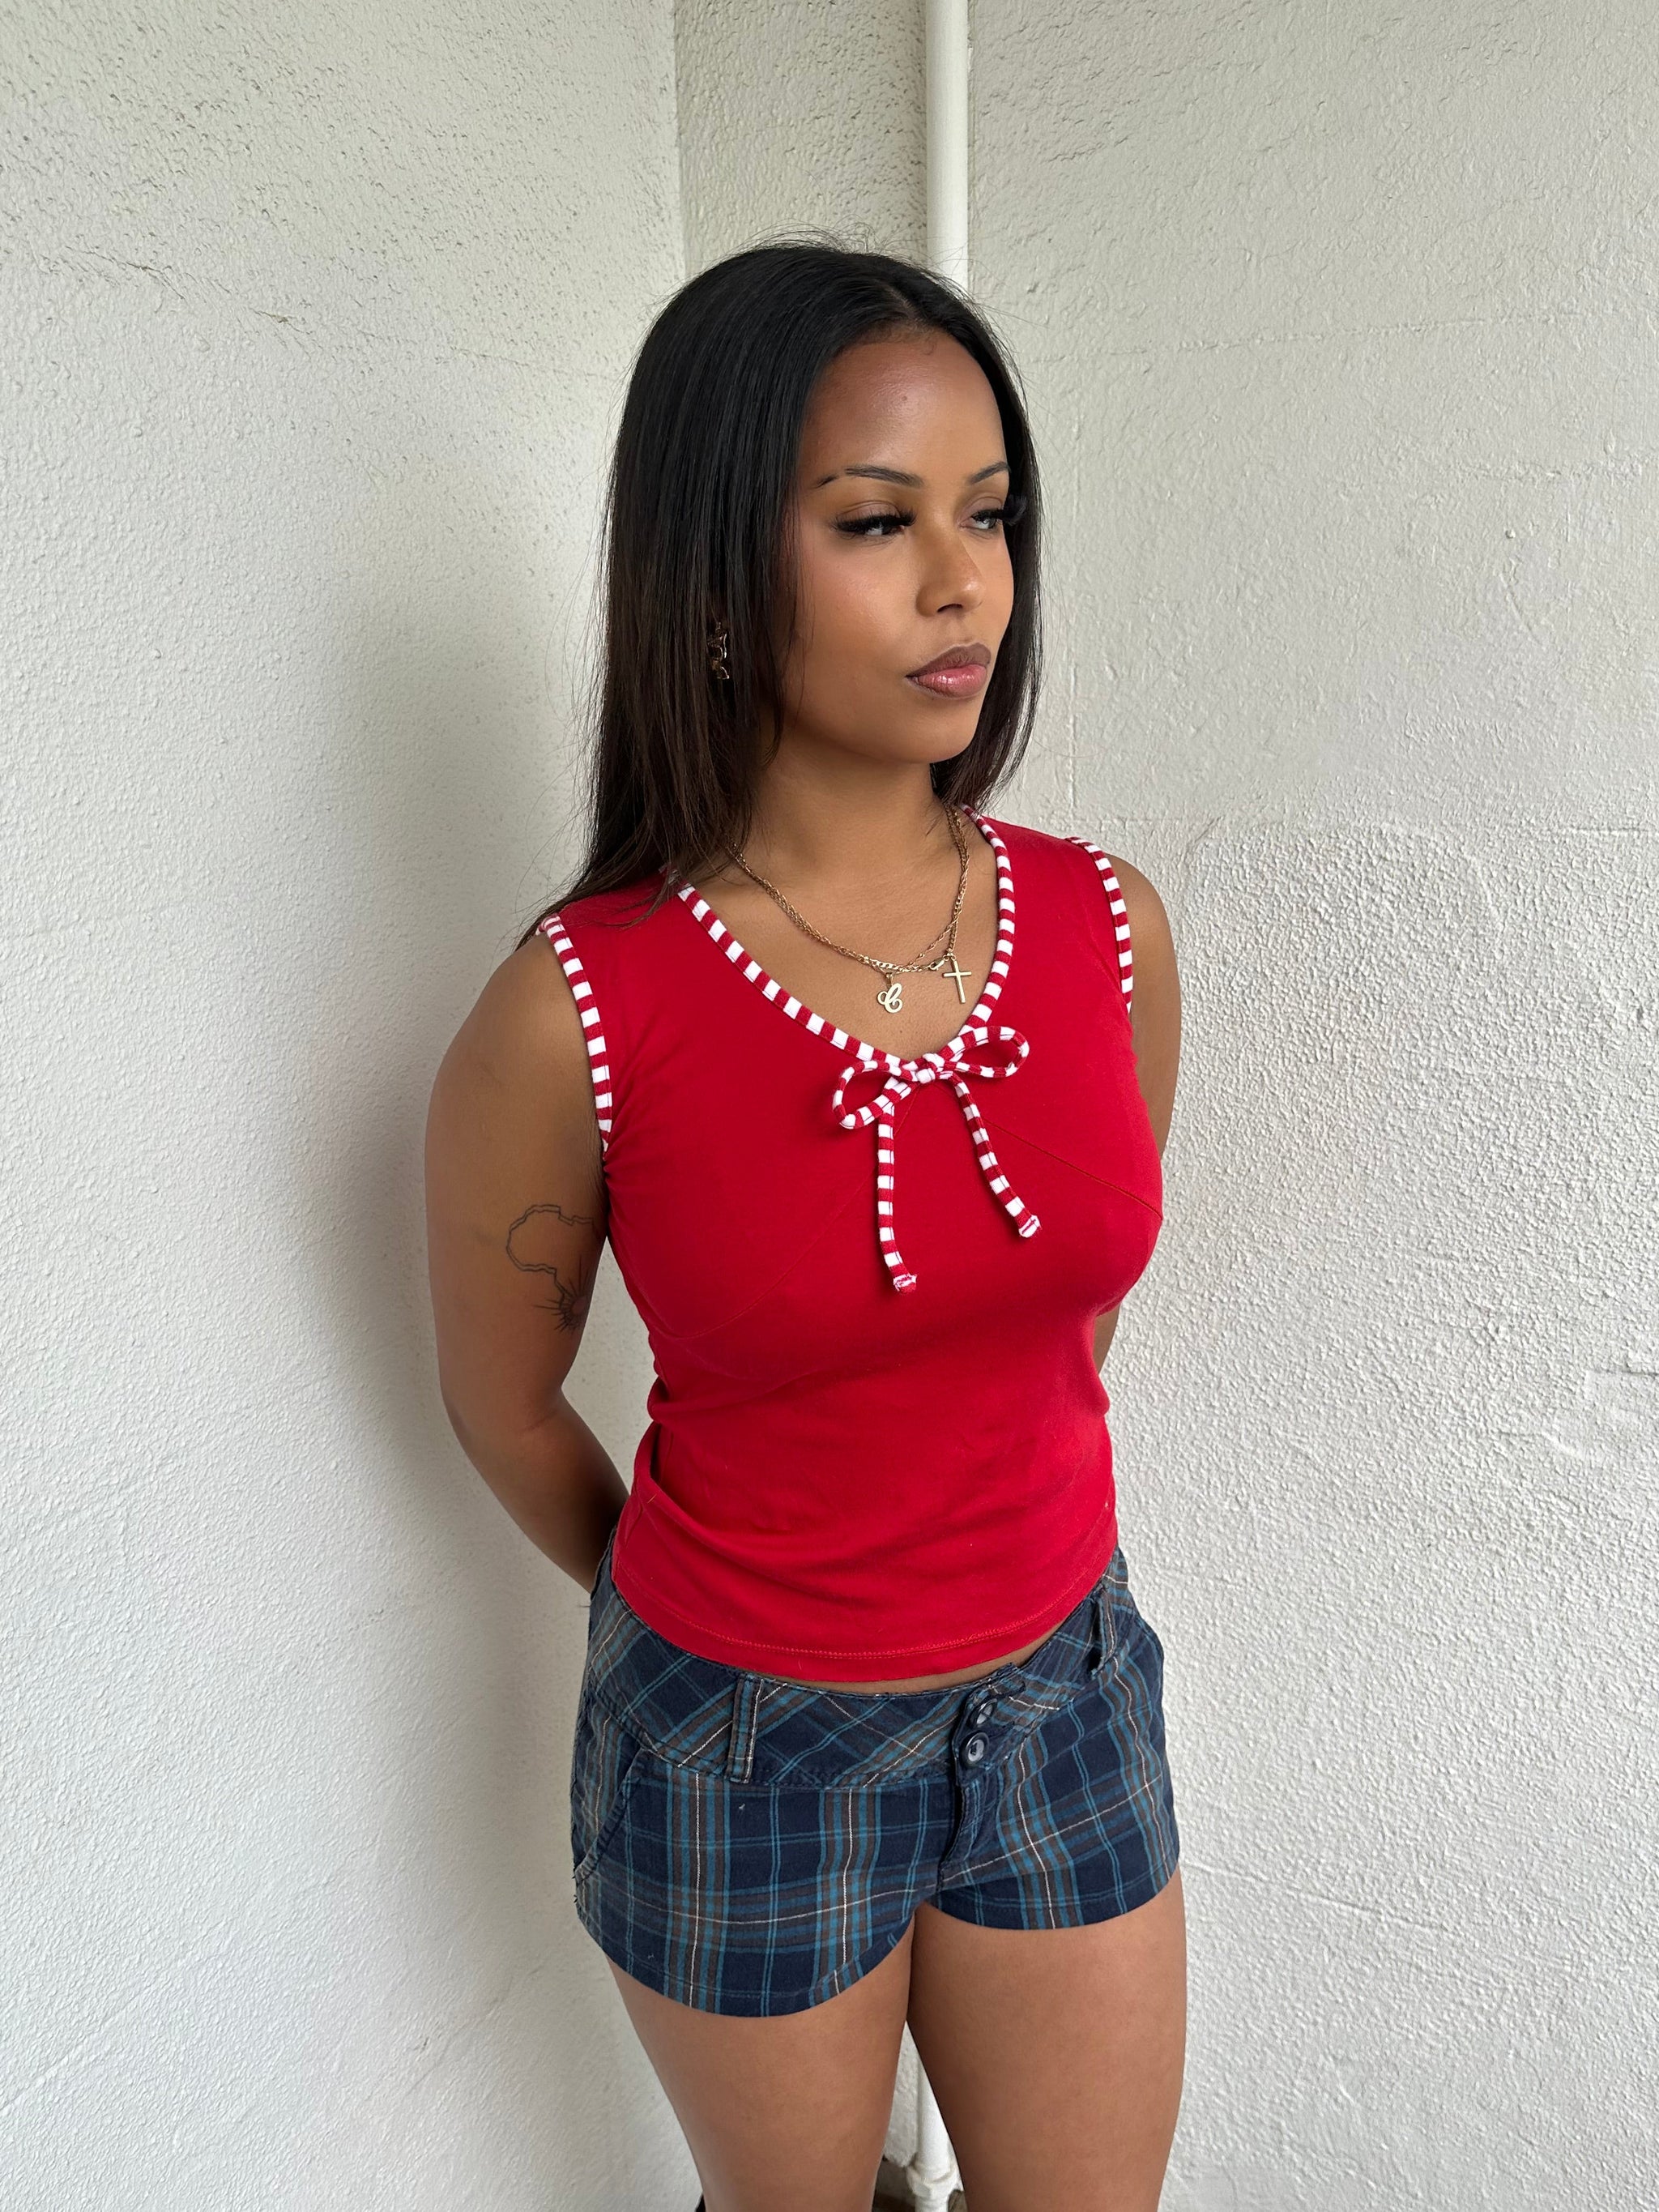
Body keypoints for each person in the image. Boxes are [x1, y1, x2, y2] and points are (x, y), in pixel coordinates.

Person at [424, 237, 1187, 2212]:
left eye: (991, 515)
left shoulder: (1106, 931)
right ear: (707, 580)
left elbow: (1055, 1324)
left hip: (1065, 1692)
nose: (965, 584)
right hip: (740, 1745)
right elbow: (506, 1408)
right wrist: (716, 1629)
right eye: (876, 521)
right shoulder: (575, 1005)